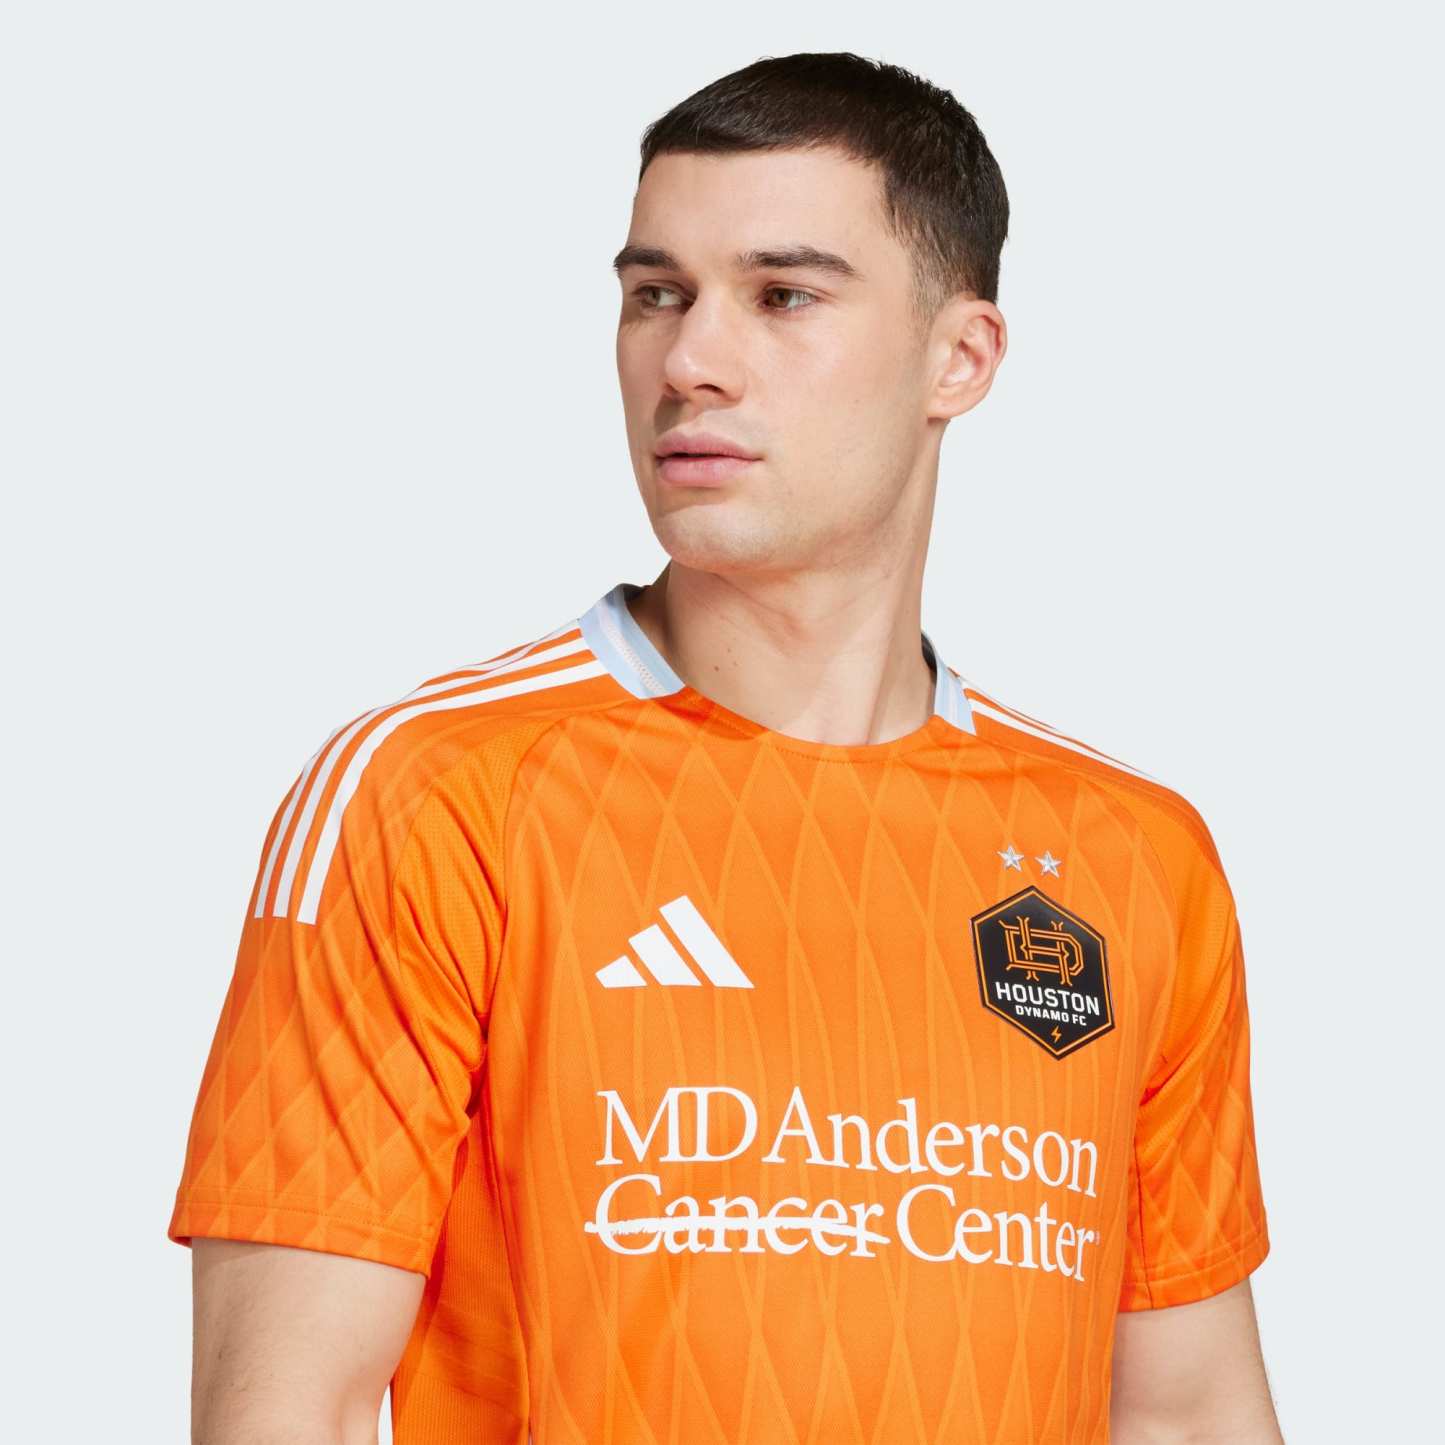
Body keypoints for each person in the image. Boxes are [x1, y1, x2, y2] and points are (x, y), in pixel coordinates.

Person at [168, 51, 1281, 1445]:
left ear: (960, 357)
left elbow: (1184, 1413)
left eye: (782, 295)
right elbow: (287, 1409)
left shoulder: (1130, 856)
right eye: (657, 294)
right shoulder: (434, 795)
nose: (689, 360)